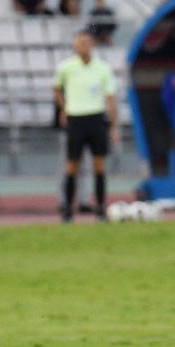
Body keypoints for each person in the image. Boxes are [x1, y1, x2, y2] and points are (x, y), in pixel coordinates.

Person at [54, 31, 120, 223]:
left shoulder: (102, 68)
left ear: (92, 45)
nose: (83, 45)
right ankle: (68, 209)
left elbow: (110, 98)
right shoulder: (66, 67)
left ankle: (100, 208)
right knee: (71, 166)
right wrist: (64, 108)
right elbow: (56, 88)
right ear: (75, 45)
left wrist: (114, 126)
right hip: (76, 119)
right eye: (80, 42)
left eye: (87, 42)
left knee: (99, 166)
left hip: (96, 118)